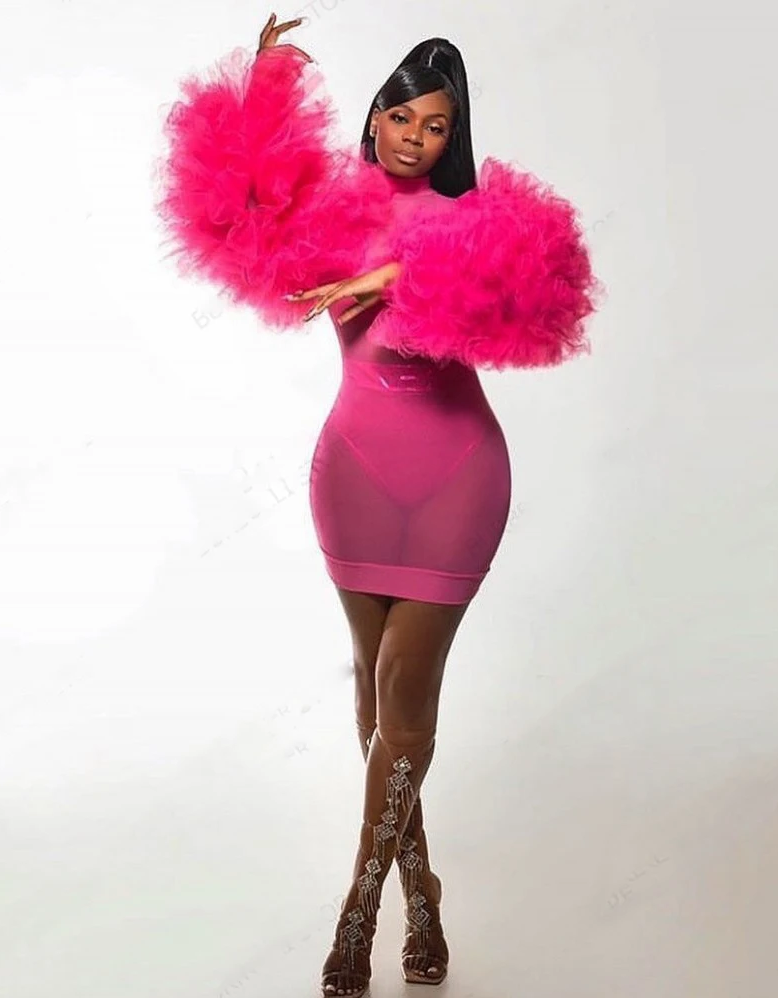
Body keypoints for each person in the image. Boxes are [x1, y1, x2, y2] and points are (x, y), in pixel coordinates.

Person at [155, 13, 602, 997]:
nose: (415, 137)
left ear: (454, 136)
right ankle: (421, 891)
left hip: (457, 476)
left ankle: (357, 910)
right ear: (373, 118)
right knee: (374, 697)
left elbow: (537, 283)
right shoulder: (331, 208)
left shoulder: (480, 219)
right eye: (401, 116)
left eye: (436, 125)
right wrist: (260, 88)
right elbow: (231, 208)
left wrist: (390, 271)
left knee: (404, 688)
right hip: (352, 477)